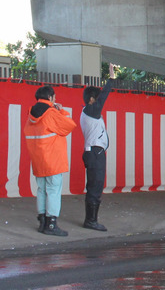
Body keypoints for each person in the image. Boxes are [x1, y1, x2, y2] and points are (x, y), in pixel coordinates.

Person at [24, 85, 77, 236]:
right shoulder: (51, 113)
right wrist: (61, 110)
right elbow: (69, 125)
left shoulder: (30, 116)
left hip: (38, 160)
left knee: (41, 190)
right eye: (54, 97)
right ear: (50, 98)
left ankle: (42, 222)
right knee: (53, 191)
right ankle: (51, 225)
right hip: (53, 160)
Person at [80, 63, 116, 231]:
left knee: (95, 184)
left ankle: (91, 219)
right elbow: (103, 98)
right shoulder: (90, 110)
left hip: (95, 152)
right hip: (94, 152)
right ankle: (90, 221)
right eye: (96, 98)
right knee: (95, 184)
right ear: (91, 99)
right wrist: (111, 79)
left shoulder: (90, 112)